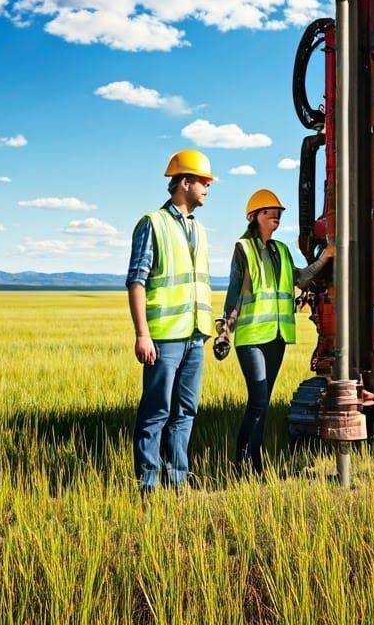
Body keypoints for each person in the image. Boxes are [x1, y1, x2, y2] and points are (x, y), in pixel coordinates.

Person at [218, 188, 333, 474]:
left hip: (277, 337)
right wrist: (225, 331)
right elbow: (236, 292)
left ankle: (252, 464)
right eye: (270, 214)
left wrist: (326, 256)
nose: (276, 219)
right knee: (257, 400)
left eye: (279, 215)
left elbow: (302, 279)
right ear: (255, 215)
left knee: (263, 403)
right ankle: (245, 466)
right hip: (252, 339)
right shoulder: (244, 249)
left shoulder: (281, 251)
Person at [126, 148, 215, 494]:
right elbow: (137, 281)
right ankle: (147, 486)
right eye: (204, 181)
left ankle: (177, 481)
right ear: (184, 182)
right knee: (156, 412)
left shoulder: (201, 231)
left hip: (194, 337)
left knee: (185, 411)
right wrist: (142, 334)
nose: (208, 187)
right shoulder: (153, 223)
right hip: (163, 338)